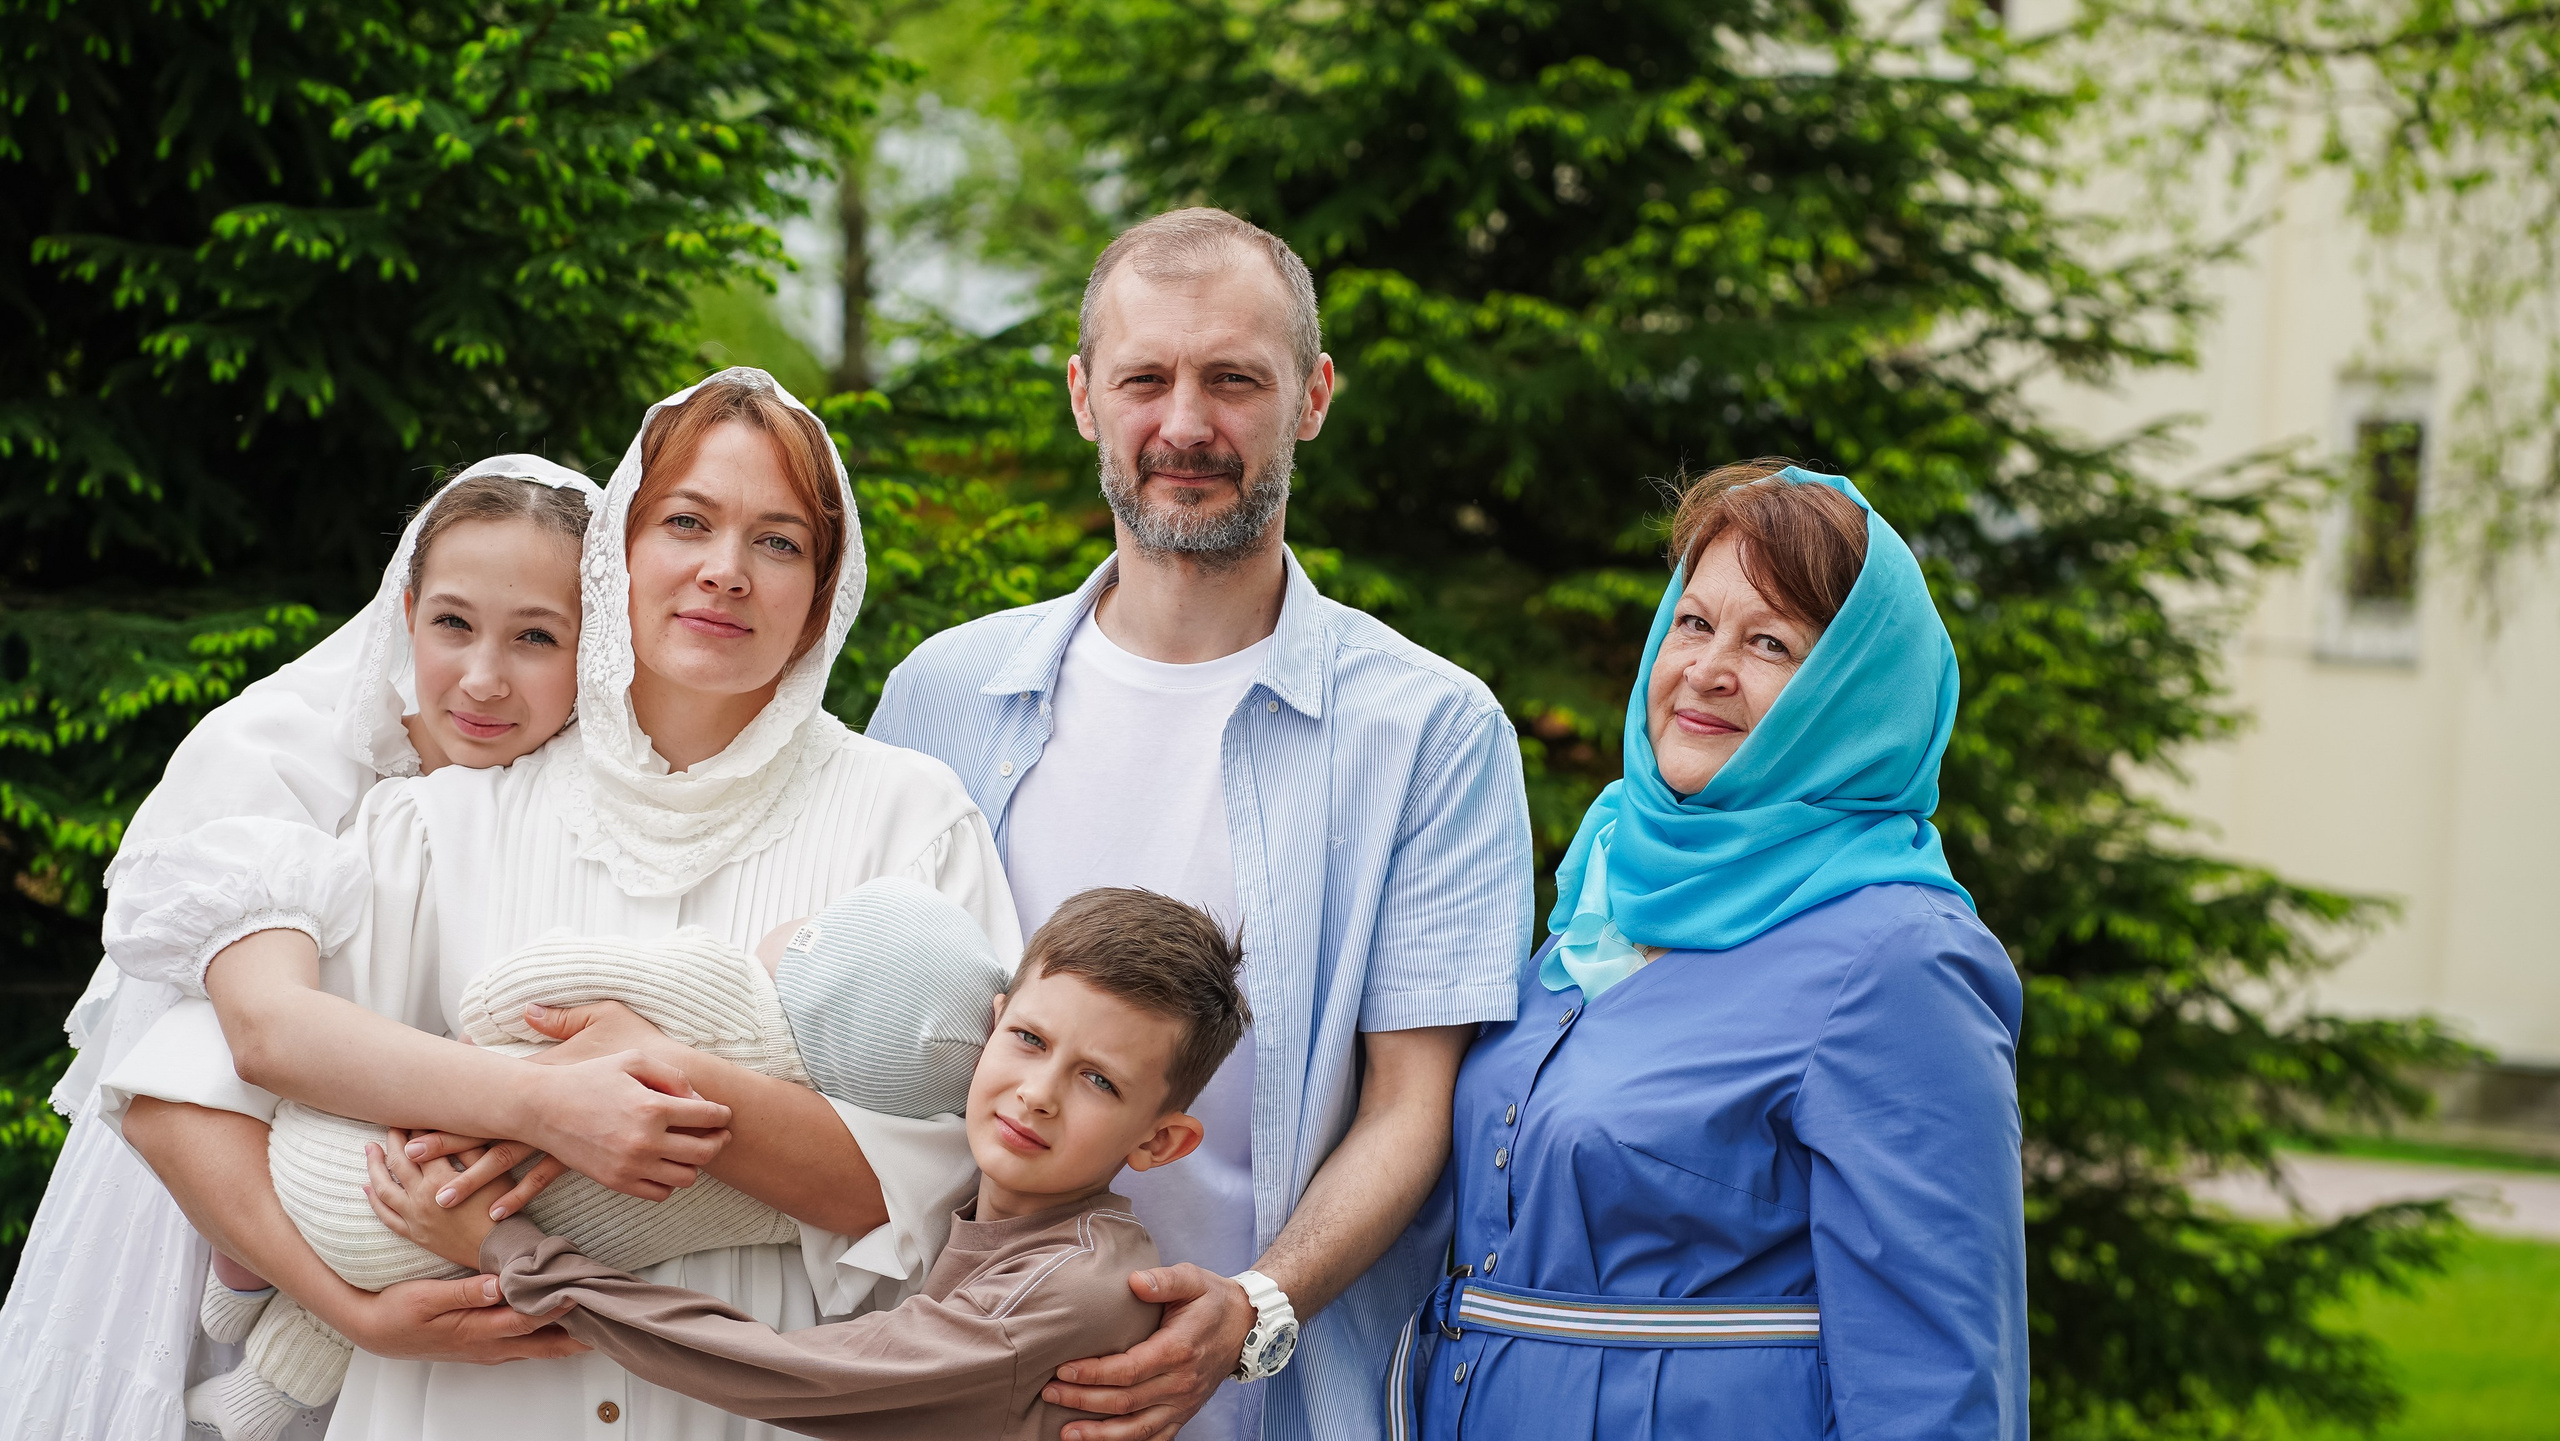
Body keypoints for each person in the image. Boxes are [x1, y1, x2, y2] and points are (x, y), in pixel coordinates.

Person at [109, 367, 1020, 1441]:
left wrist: (662, 1085)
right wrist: (350, 1305)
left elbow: (944, 1178)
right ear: (616, 556)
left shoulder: (909, 821)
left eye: (778, 543)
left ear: (822, 593)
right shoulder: (445, 821)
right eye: (687, 522)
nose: (725, 572)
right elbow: (189, 1088)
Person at [867, 208, 1534, 1441]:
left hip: (1271, 1412)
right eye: (1144, 379)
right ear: (1082, 397)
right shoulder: (938, 697)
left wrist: (1253, 1309)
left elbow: (1410, 1104)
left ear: (1312, 397)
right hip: (950, 1393)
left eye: (1234, 379)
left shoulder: (1431, 731)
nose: (1184, 425)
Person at [1391, 462, 2029, 1441]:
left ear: (1852, 695)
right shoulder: (1604, 893)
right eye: (1693, 623)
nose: (1708, 667)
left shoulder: (1899, 961)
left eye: (1770, 642)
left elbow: (1935, 1380)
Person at [0, 455, 600, 1441]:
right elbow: (262, 1032)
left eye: (537, 636)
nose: (484, 678)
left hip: (403, 1218)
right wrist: (352, 1310)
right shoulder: (275, 758)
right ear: (405, 611)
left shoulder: (561, 797)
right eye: (452, 622)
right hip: (215, 1224)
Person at [362, 886, 1253, 1441]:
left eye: (1097, 1079)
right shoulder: (1012, 1228)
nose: (1038, 1093)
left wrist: (509, 1251)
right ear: (988, 1026)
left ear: (1158, 1142)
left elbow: (777, 1371)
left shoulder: (1061, 1291)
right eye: (1027, 1039)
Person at [154, 875, 1006, 1441]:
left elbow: (512, 993)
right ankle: (259, 1372)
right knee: (360, 1229)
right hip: (483, 1269)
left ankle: (243, 1281)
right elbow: (885, 1196)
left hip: (378, 1170)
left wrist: (510, 1059)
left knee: (299, 1145)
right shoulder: (789, 1168)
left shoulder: (718, 987)